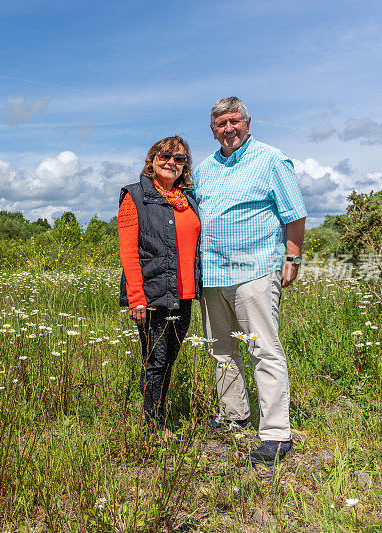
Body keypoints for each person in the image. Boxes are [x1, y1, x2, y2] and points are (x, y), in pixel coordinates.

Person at [192, 96, 307, 466]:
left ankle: (275, 432)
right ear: (213, 130)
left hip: (255, 270)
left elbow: (295, 213)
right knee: (220, 349)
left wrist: (293, 257)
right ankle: (235, 417)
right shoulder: (205, 169)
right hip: (211, 273)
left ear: (247, 121)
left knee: (264, 350)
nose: (229, 129)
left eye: (234, 121)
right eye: (221, 124)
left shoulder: (272, 159)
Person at [118, 136, 202, 440]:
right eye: (165, 156)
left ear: (184, 166)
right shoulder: (136, 196)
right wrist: (136, 298)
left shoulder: (186, 198)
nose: (171, 162)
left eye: (179, 159)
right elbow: (128, 251)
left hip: (184, 293)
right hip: (154, 292)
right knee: (155, 358)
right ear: (152, 159)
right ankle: (153, 424)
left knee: (169, 358)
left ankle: (153, 414)